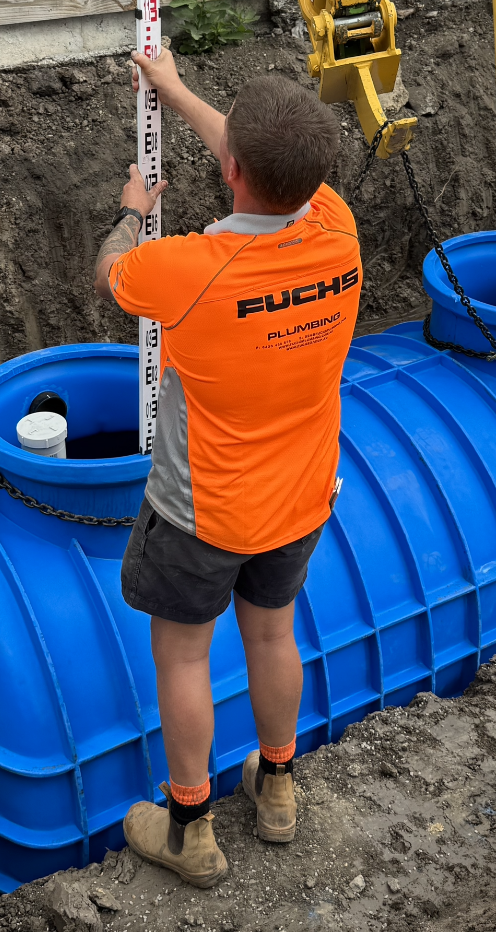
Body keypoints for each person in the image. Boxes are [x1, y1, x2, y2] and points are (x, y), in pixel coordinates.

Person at [93, 46, 362, 888]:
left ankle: (189, 828)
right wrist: (173, 93)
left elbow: (110, 275)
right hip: (302, 496)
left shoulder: (186, 271)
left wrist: (133, 210)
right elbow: (259, 155)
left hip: (202, 513)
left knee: (182, 659)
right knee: (274, 634)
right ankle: (277, 788)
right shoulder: (336, 227)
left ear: (231, 169)